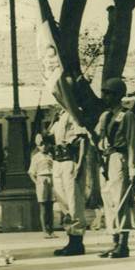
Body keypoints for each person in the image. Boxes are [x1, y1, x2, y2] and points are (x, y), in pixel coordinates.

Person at [95, 78, 135, 259]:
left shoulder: (127, 116)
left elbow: (133, 143)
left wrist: (133, 169)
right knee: (109, 200)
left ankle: (123, 243)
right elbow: (99, 138)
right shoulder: (105, 116)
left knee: (121, 201)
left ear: (118, 96)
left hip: (120, 159)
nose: (105, 97)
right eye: (104, 93)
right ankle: (114, 241)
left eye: (109, 93)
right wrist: (101, 146)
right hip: (107, 159)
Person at [50, 107, 90, 257]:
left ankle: (77, 242)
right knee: (63, 202)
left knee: (74, 202)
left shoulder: (74, 112)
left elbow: (82, 139)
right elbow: (52, 136)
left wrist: (79, 163)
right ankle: (71, 239)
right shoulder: (59, 115)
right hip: (58, 160)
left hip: (70, 160)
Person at [27, 134, 56, 238]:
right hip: (41, 179)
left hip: (51, 179)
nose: (44, 146)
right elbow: (31, 172)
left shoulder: (51, 156)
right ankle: (45, 231)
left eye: (46, 144)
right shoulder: (35, 157)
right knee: (43, 206)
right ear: (38, 146)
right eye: (41, 145)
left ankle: (51, 230)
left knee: (50, 206)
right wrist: (37, 182)